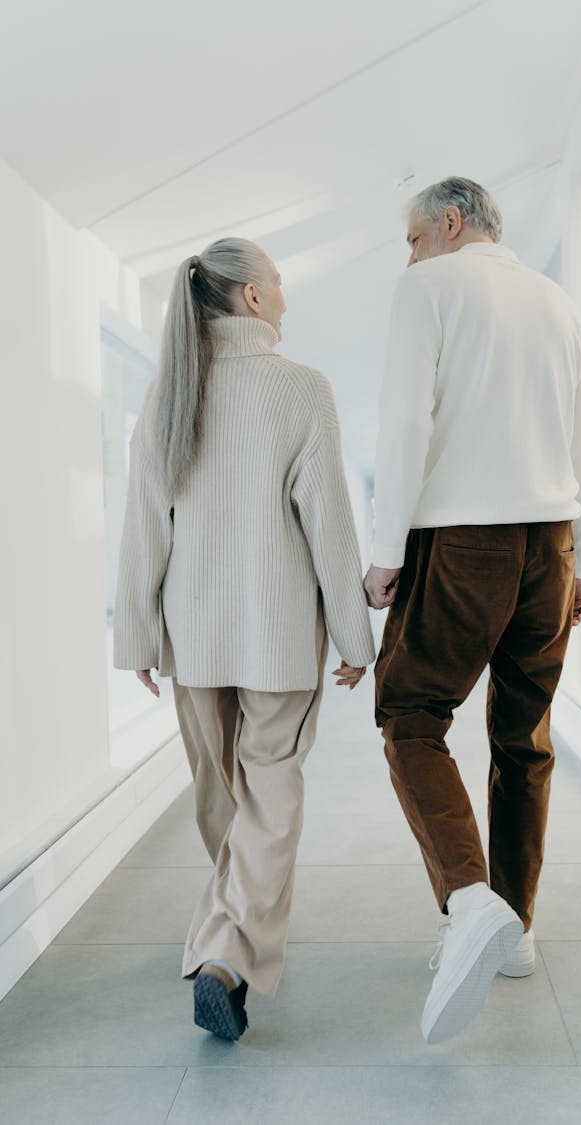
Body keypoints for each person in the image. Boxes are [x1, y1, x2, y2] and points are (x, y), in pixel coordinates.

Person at [114, 237, 375, 1041]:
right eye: (281, 285)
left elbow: (141, 533)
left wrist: (137, 638)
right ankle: (227, 956)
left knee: (224, 801)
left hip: (192, 641)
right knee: (269, 797)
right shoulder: (302, 391)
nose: (289, 300)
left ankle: (224, 936)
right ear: (252, 299)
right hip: (278, 640)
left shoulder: (167, 394)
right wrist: (355, 638)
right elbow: (329, 525)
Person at [364, 177, 581, 1044]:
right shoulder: (559, 302)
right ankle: (517, 931)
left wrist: (387, 550)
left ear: (450, 222)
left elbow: (403, 425)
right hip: (553, 540)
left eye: (413, 235)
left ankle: (470, 901)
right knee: (523, 733)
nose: (409, 252)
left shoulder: (427, 288)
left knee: (411, 714)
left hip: (460, 542)